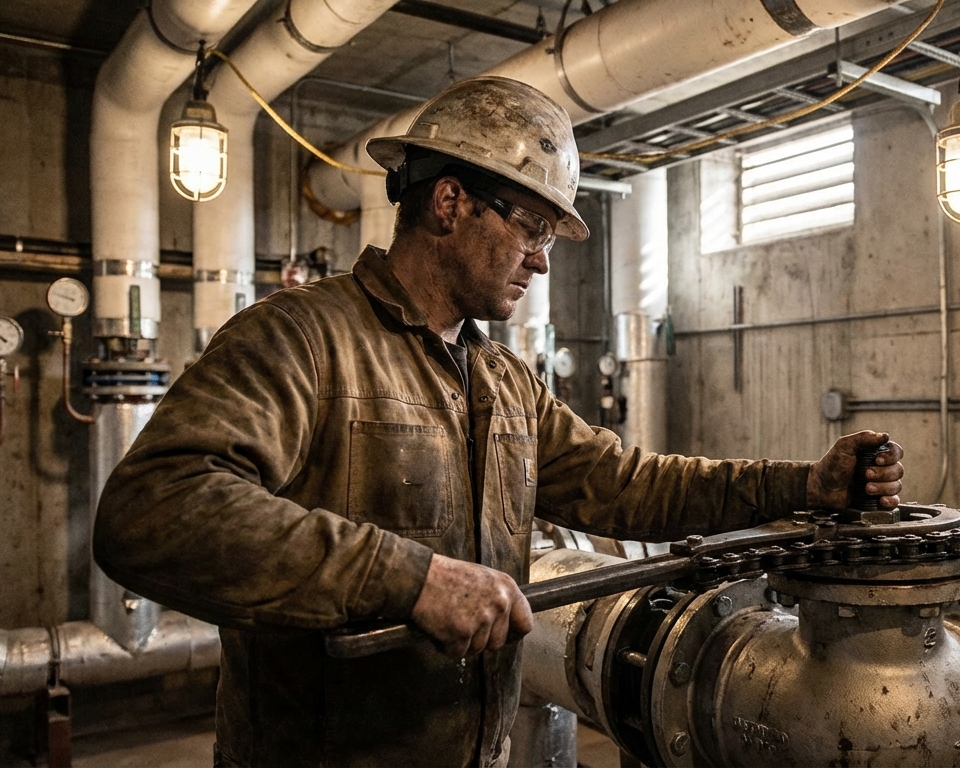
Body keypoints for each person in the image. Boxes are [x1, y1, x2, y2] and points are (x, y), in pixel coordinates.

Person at [93, 76, 903, 768]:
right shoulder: (304, 339)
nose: (543, 260)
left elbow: (626, 485)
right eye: (532, 228)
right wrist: (412, 579)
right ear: (450, 202)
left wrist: (802, 484)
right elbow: (154, 510)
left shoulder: (503, 380)